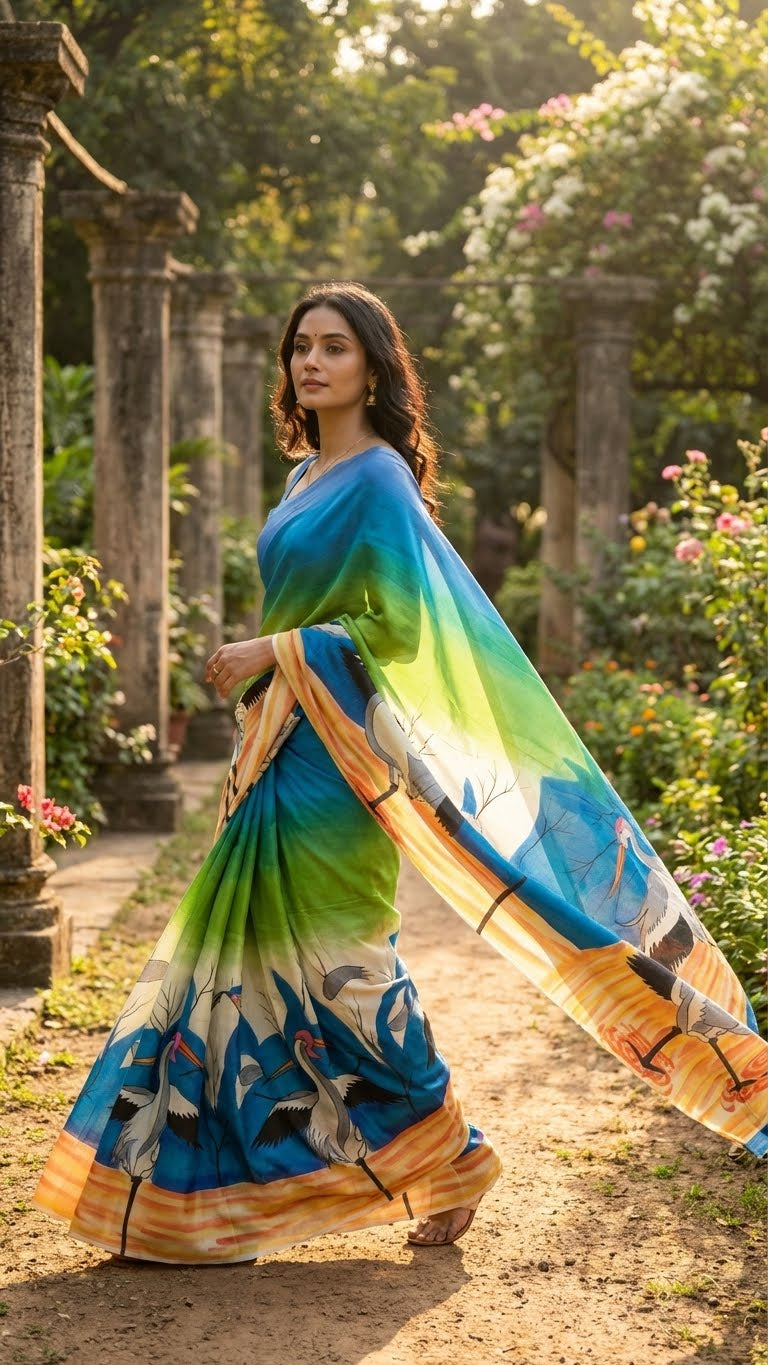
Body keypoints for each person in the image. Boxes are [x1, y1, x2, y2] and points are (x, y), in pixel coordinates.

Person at [35, 283, 767, 1265]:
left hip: (336, 759)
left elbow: (403, 634)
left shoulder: (379, 481)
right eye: (301, 347)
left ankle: (453, 1152)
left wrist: (275, 651)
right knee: (233, 961)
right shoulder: (300, 480)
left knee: (345, 971)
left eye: (334, 347)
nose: (311, 362)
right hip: (274, 752)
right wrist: (271, 678)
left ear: (373, 368)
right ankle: (212, 1197)